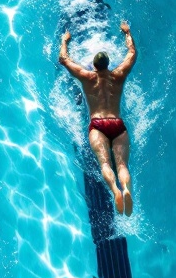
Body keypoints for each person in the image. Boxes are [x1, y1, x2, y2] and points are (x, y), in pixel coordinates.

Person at [59, 21, 137, 215]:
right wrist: (127, 33)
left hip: (98, 125)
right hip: (118, 124)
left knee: (105, 163)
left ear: (94, 66)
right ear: (108, 65)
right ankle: (126, 188)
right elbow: (132, 54)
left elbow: (63, 59)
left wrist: (65, 41)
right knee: (121, 164)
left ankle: (115, 191)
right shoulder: (118, 75)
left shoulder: (87, 77)